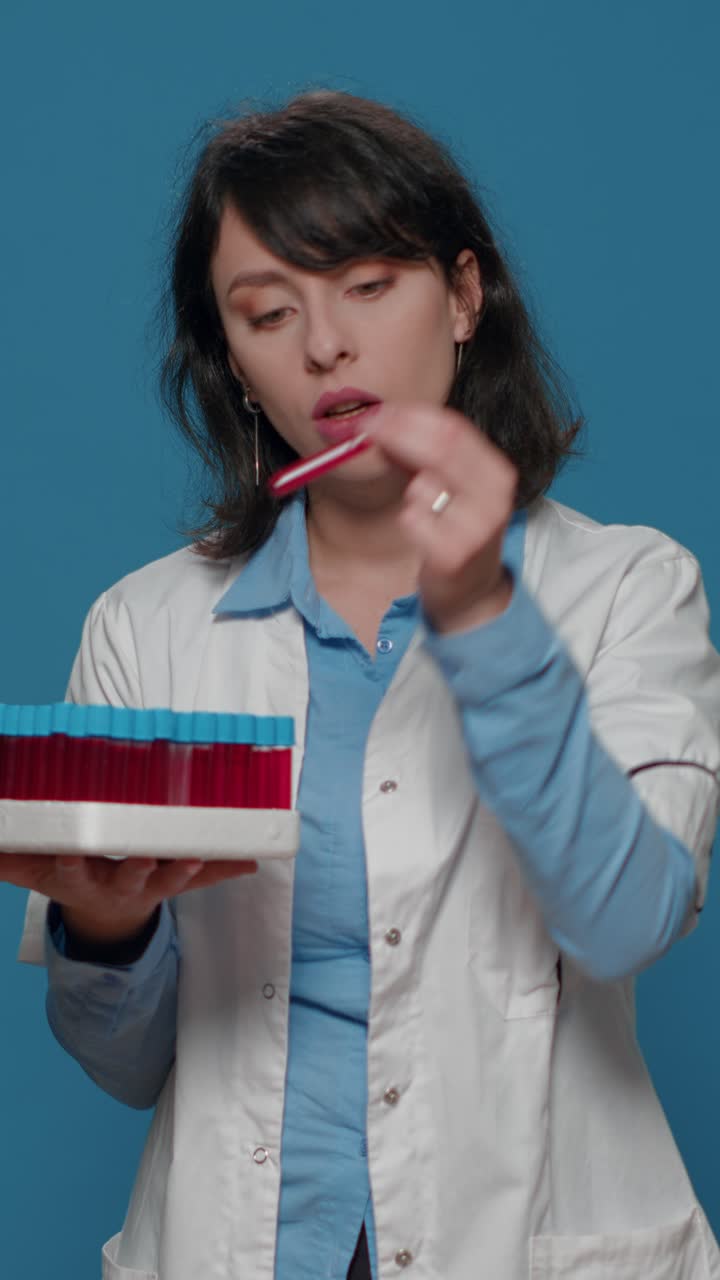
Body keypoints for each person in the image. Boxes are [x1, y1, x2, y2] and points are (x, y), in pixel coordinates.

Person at [7, 90, 720, 1280]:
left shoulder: (628, 586)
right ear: (230, 359)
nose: (323, 345)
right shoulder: (146, 623)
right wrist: (111, 920)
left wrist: (486, 620)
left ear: (464, 296)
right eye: (267, 311)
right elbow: (126, 1064)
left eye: (369, 286)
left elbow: (627, 917)